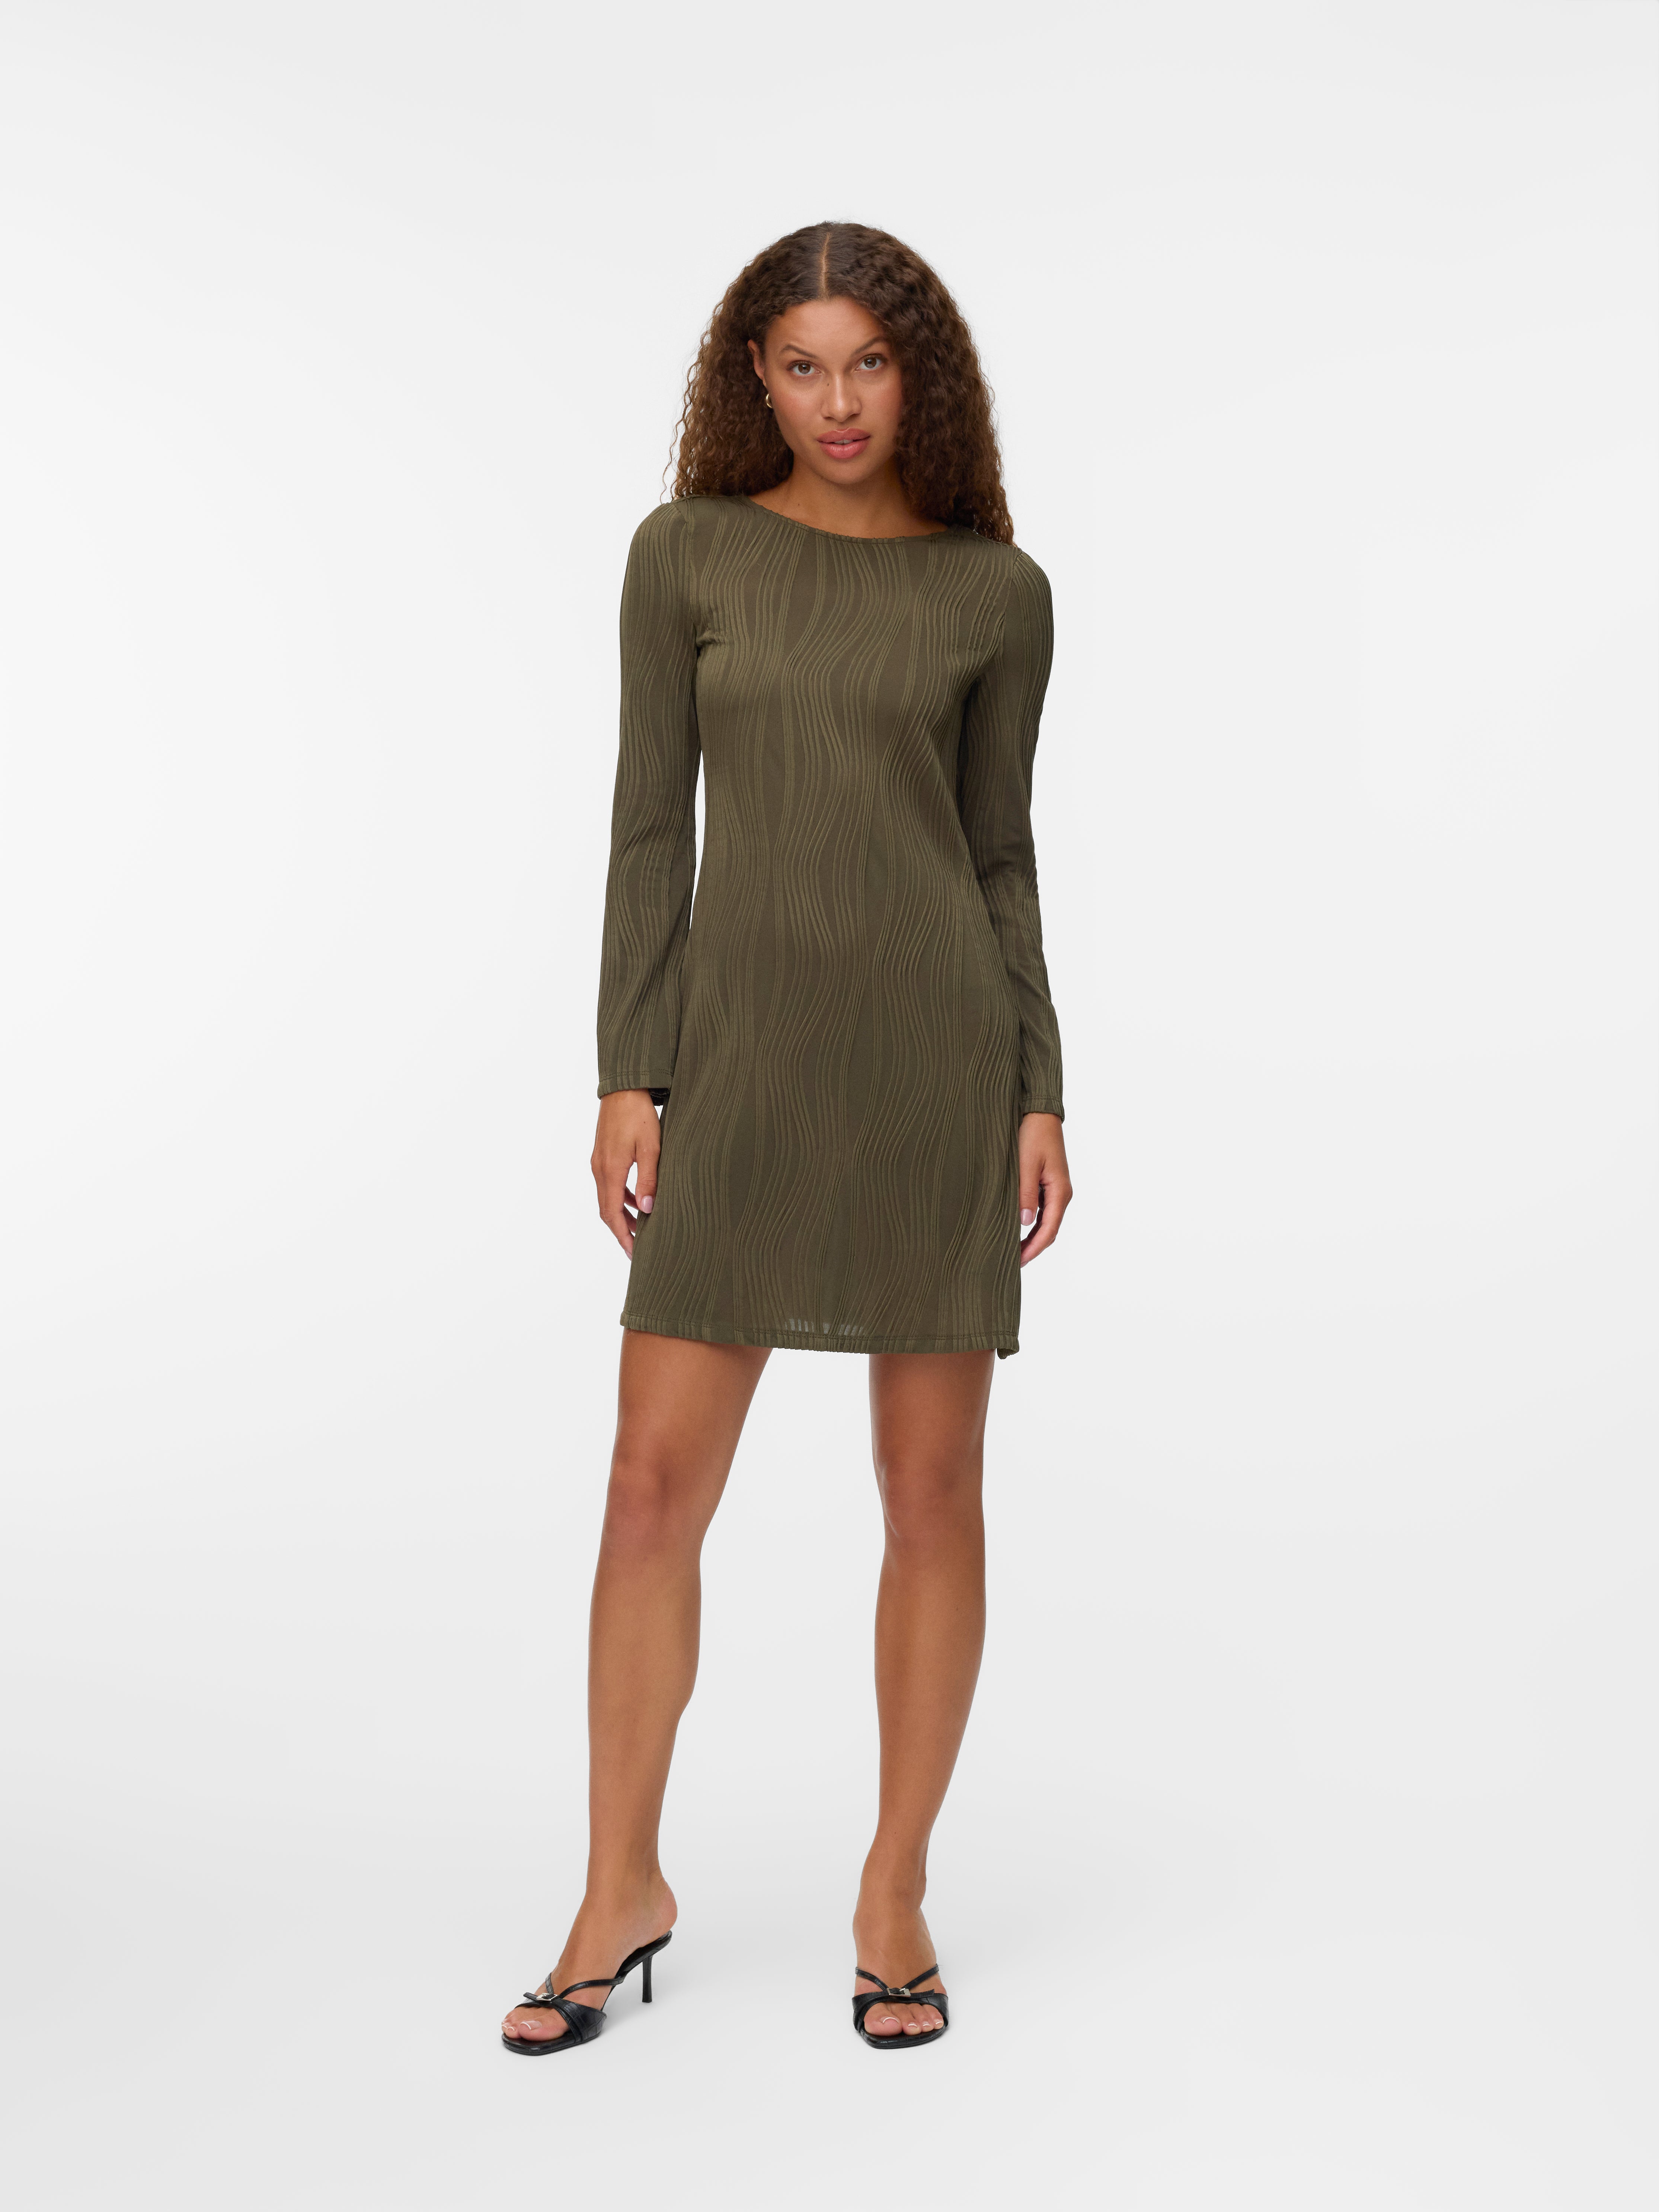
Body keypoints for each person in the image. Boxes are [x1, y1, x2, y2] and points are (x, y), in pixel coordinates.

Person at [501, 220, 1071, 2056]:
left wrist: (1038, 1086)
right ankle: (618, 1886)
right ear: (751, 375)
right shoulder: (684, 554)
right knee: (646, 1488)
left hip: (932, 1064)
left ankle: (893, 1890)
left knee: (930, 1492)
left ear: (922, 377)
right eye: (802, 365)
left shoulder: (993, 591)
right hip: (736, 1066)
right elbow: (643, 825)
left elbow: (998, 851)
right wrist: (628, 1067)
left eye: (869, 364)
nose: (838, 403)